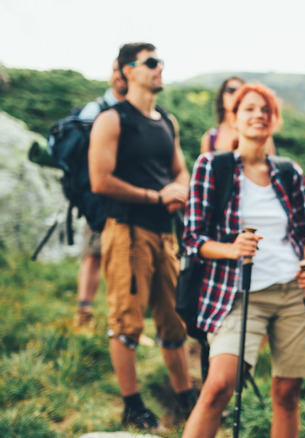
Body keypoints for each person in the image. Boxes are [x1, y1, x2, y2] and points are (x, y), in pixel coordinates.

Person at [181, 83, 305, 438]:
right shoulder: (211, 167)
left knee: (287, 393)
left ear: (274, 120)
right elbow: (191, 239)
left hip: (294, 292)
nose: (258, 115)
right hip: (236, 292)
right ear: (233, 118)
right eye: (249, 109)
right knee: (218, 386)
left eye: (265, 110)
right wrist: (232, 248)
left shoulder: (289, 172)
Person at [89, 42, 197, 432]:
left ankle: (185, 395)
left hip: (163, 235)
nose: (159, 68)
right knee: (127, 322)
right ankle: (132, 405)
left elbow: (179, 170)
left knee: (174, 319)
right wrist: (156, 195)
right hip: (127, 234)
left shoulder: (166, 121)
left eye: (160, 61)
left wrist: (179, 190)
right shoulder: (112, 120)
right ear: (126, 71)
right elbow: (100, 180)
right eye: (150, 62)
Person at [73, 58, 127, 331]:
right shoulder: (95, 110)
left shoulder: (135, 111)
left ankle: (121, 320)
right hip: (96, 195)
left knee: (122, 258)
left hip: (125, 195)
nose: (118, 76)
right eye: (115, 70)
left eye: (122, 71)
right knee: (93, 254)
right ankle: (84, 314)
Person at [200, 76, 277, 155]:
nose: (237, 94)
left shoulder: (258, 132)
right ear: (222, 96)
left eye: (241, 91)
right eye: (231, 90)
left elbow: (270, 163)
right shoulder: (210, 137)